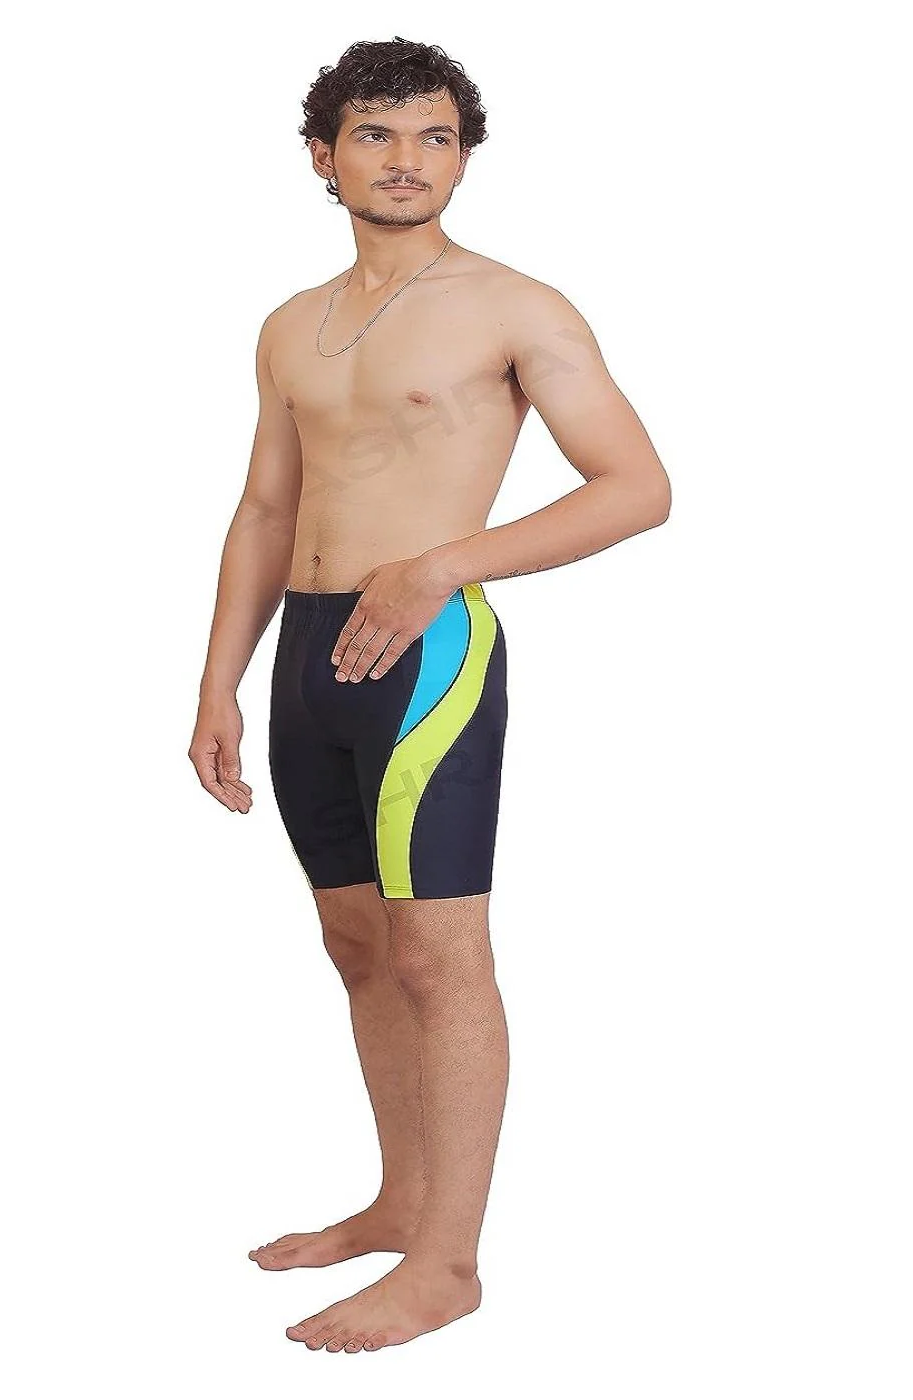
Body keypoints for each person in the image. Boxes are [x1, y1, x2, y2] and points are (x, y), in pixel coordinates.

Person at [188, 36, 671, 1353]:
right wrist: (219, 680)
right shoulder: (289, 324)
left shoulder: (515, 307)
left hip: (426, 656)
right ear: (322, 155)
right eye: (377, 134)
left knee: (436, 955)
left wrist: (442, 565)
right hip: (305, 655)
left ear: (463, 157)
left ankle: (447, 1265)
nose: (407, 160)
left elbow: (637, 486)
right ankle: (400, 1204)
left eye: (435, 137)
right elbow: (265, 507)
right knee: (354, 943)